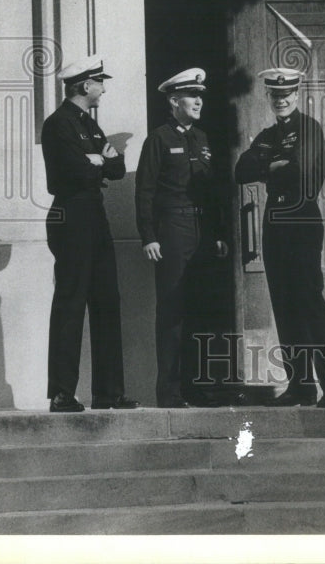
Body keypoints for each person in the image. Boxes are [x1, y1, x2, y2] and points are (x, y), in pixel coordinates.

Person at [235, 68, 325, 408]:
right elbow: (241, 171)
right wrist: (273, 165)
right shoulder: (267, 135)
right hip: (274, 222)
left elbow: (304, 172)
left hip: (301, 219)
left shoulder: (309, 127)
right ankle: (301, 386)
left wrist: (271, 165)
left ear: (296, 95)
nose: (281, 100)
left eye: (286, 95)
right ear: (269, 98)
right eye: (275, 96)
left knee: (309, 302)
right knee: (283, 305)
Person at [40, 55, 139, 413]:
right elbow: (73, 174)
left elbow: (115, 167)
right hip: (71, 215)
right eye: (100, 82)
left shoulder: (91, 127)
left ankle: (109, 392)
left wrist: (98, 161)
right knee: (70, 302)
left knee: (106, 300)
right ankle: (62, 393)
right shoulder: (59, 124)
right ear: (84, 85)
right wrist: (96, 162)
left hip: (94, 215)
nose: (103, 88)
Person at [135, 68, 226, 408]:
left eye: (200, 95)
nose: (199, 101)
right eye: (192, 96)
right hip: (172, 231)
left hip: (201, 232)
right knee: (172, 309)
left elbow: (210, 191)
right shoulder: (158, 139)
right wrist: (148, 235)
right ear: (174, 101)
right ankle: (169, 391)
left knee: (199, 309)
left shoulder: (201, 138)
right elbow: (144, 190)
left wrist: (216, 234)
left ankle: (195, 385)